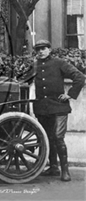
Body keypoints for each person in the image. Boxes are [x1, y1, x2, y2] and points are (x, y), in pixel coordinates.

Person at [30, 39, 85, 182]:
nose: (41, 51)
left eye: (43, 48)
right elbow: (24, 79)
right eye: (38, 49)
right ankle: (53, 167)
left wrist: (70, 95)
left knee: (58, 138)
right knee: (47, 137)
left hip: (59, 107)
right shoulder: (35, 65)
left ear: (49, 49)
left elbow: (79, 77)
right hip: (42, 108)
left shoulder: (59, 63)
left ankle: (65, 171)